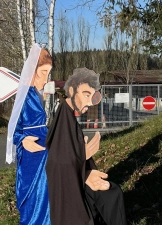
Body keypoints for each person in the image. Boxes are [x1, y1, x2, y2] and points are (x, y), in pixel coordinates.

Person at [45, 68, 127, 225]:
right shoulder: (64, 119)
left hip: (79, 178)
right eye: (86, 95)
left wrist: (86, 168)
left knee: (113, 193)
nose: (90, 102)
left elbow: (69, 156)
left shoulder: (69, 117)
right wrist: (84, 156)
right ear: (72, 90)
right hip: (71, 194)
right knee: (111, 195)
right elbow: (59, 162)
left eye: (92, 96)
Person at [6, 44, 52, 225]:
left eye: (49, 72)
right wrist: (22, 139)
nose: (47, 77)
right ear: (34, 70)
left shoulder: (37, 93)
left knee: (46, 193)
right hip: (32, 156)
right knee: (33, 196)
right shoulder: (25, 95)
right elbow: (14, 127)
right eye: (44, 71)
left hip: (44, 154)